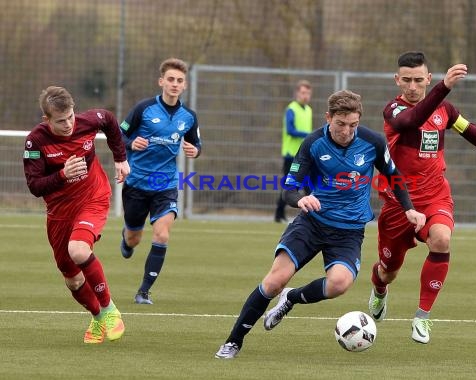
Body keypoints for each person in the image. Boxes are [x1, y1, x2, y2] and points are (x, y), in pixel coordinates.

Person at [215, 90, 427, 359]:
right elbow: (290, 188)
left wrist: (409, 209)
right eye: (340, 124)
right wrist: (301, 200)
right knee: (273, 282)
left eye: (353, 125)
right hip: (311, 224)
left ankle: (291, 299)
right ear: (328, 118)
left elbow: (394, 176)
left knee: (339, 284)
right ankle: (233, 341)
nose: (346, 131)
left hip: (349, 230)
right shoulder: (313, 143)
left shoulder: (372, 142)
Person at [368, 51, 476, 344]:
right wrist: (444, 87)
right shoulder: (393, 111)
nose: (412, 87)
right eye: (406, 80)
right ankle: (379, 291)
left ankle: (422, 317)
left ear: (427, 79)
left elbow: (475, 134)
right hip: (399, 204)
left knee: (441, 239)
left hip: (436, 196)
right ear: (397, 80)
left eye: (418, 80)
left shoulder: (446, 111)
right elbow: (411, 121)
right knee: (388, 271)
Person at [23, 86, 130, 344]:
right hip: (59, 211)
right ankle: (97, 317)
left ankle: (109, 310)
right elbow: (35, 186)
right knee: (72, 279)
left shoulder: (88, 122)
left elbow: (110, 120)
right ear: (46, 119)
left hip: (93, 196)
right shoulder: (35, 141)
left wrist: (120, 158)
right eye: (61, 120)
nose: (69, 124)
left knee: (79, 250)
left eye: (71, 116)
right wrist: (62, 175)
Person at [119, 58, 201, 305]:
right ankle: (127, 239)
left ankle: (143, 291)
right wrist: (131, 143)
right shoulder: (143, 109)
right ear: (161, 82)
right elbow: (119, 135)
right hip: (136, 183)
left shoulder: (189, 117)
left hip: (164, 185)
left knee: (162, 235)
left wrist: (194, 151)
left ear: (184, 85)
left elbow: (196, 144)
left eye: (179, 81)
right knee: (134, 237)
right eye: (171, 80)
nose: (175, 84)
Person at [274, 80, 313, 223]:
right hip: (291, 155)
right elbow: (290, 130)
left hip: (305, 155)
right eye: (303, 93)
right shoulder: (291, 109)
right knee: (290, 185)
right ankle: (279, 214)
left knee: (309, 184)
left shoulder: (309, 110)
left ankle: (312, 214)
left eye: (308, 93)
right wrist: (308, 134)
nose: (306, 96)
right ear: (297, 93)